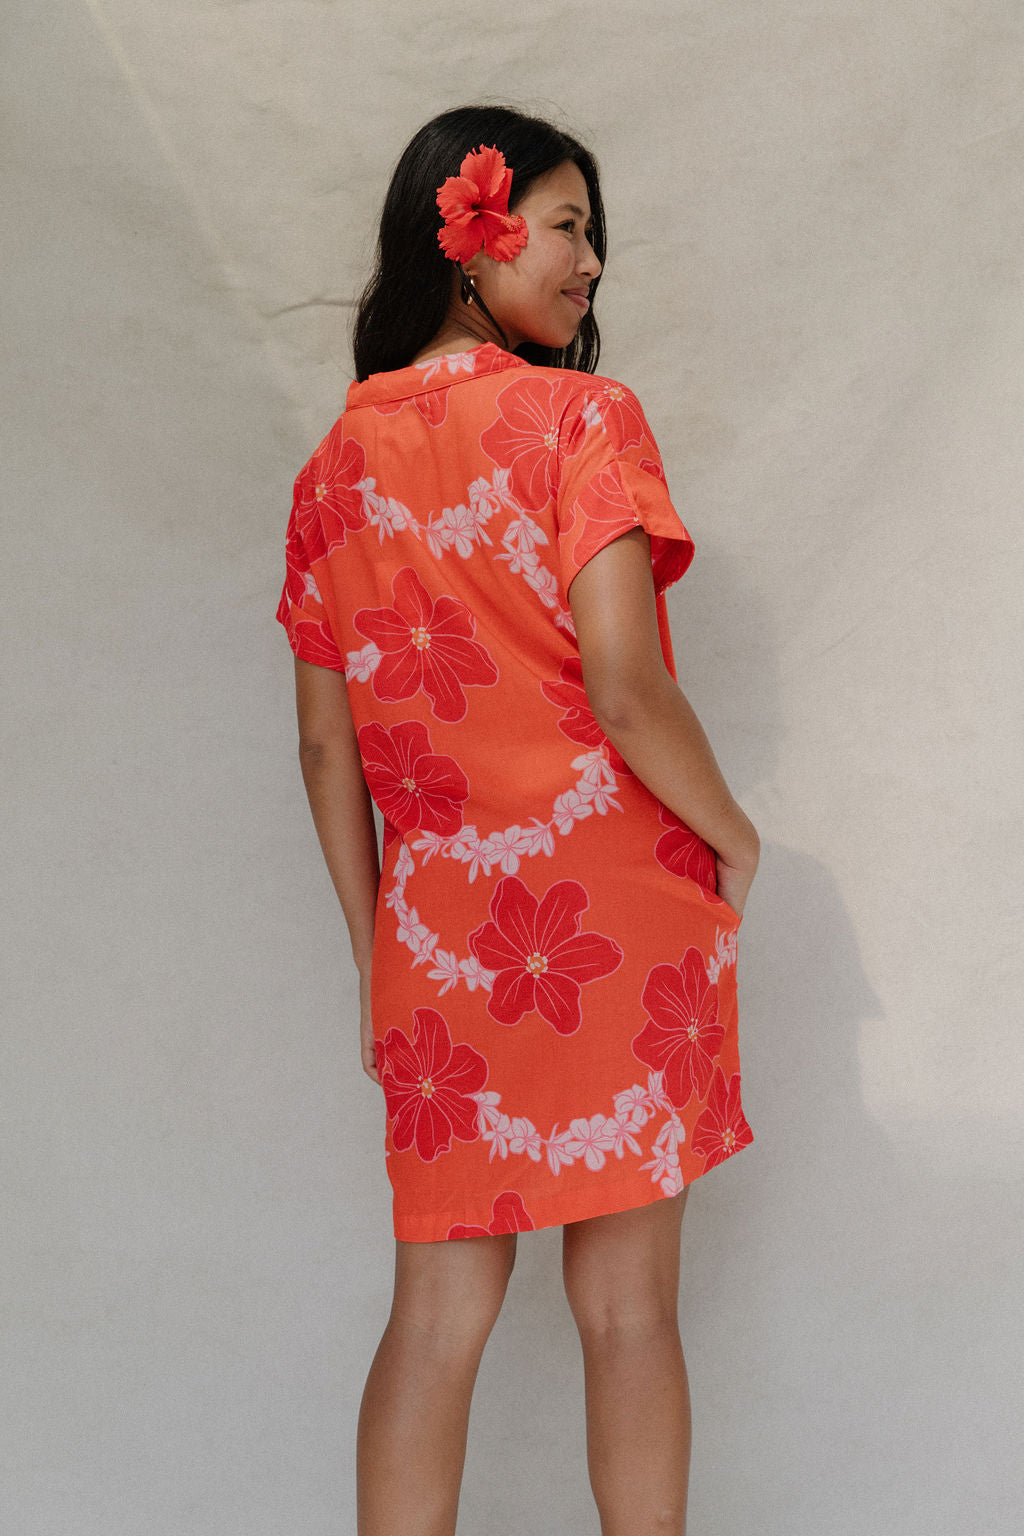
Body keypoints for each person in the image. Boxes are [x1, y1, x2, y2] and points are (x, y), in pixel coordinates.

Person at [276, 103, 760, 1536]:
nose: (593, 260)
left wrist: (382, 949)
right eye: (566, 225)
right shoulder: (582, 422)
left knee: (435, 1319)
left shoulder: (329, 472)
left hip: (443, 941)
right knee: (628, 1315)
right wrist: (734, 833)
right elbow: (625, 687)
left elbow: (323, 751)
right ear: (472, 239)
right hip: (613, 920)